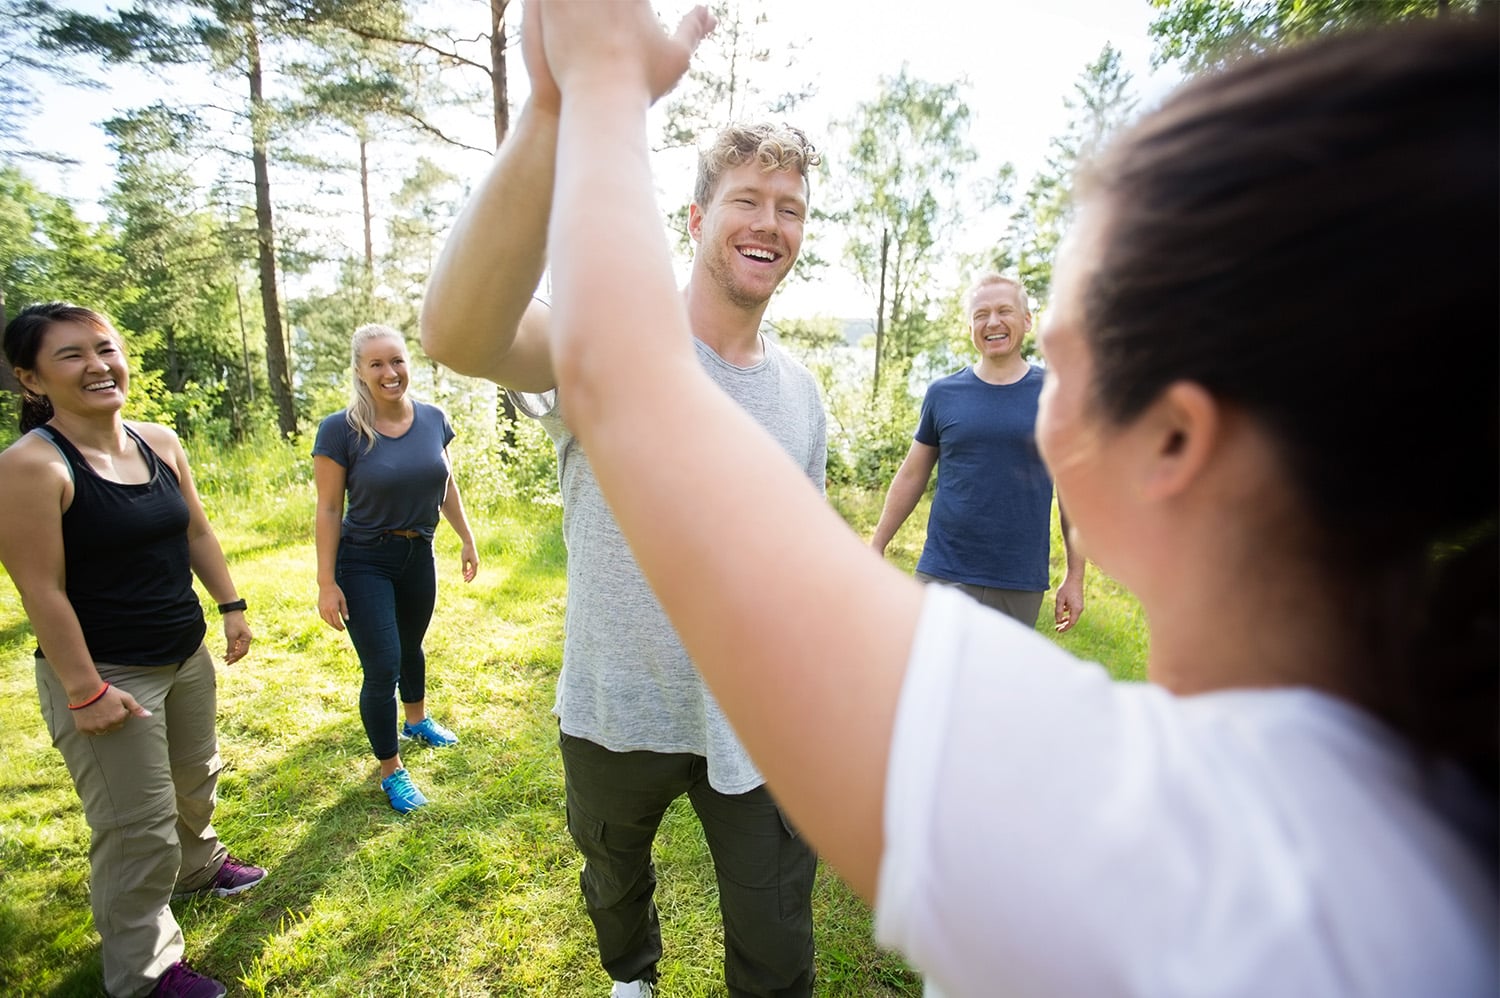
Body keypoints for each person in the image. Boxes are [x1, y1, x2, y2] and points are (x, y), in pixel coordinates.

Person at [517, 3, 1498, 996]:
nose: (1027, 402)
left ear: (1174, 438)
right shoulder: (1429, 836)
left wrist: (601, 75)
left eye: (1058, 358)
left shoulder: (1148, 842)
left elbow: (622, 379)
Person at [420, 29, 827, 997]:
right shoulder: (608, 341)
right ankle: (632, 978)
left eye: (791, 208)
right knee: (613, 877)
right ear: (697, 216)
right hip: (614, 706)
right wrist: (558, 104)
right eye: (747, 199)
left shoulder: (804, 393)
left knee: (776, 939)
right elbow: (462, 331)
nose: (769, 222)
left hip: (755, 722)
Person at [0, 302, 267, 998]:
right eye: (71, 355)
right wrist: (84, 691)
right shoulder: (31, 465)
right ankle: (144, 974)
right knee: (134, 830)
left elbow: (196, 534)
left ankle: (200, 867)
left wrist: (231, 607)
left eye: (105, 348)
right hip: (105, 674)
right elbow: (41, 590)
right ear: (31, 379)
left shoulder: (158, 441)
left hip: (183, 653)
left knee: (194, 778)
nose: (97, 365)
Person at [312, 323, 478, 814]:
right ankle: (392, 770)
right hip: (364, 558)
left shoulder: (432, 419)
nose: (391, 372)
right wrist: (326, 581)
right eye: (377, 364)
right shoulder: (339, 429)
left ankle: (417, 719)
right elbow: (327, 509)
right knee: (382, 664)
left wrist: (466, 538)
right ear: (361, 373)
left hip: (417, 554)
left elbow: (446, 484)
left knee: (410, 646)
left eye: (398, 360)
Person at [870, 273, 1085, 631]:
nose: (993, 322)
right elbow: (912, 474)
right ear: (970, 326)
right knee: (929, 680)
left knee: (1001, 686)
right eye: (981, 314)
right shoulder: (943, 393)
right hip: (943, 571)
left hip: (1019, 579)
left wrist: (1075, 576)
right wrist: (877, 545)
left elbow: (1073, 492)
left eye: (1005, 311)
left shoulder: (1056, 394)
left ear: (1027, 320)